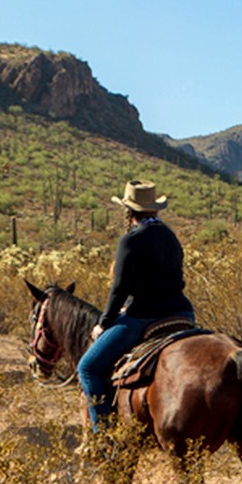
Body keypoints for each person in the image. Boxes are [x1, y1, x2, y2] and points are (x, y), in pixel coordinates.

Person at [76, 179, 194, 430]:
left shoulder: (131, 240)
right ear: (154, 209)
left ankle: (104, 436)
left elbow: (119, 288)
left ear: (128, 211)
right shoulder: (170, 236)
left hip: (144, 316)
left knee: (87, 368)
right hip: (183, 312)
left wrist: (104, 323)